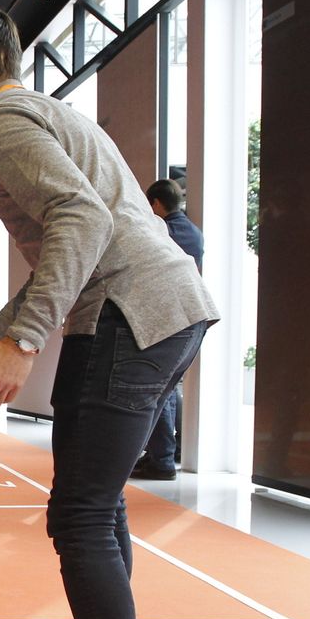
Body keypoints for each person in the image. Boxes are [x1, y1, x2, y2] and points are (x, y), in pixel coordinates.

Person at [0, 8, 218, 619]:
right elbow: (73, 236)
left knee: (81, 515)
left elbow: (82, 217)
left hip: (134, 314)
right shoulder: (43, 110)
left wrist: (23, 341)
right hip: (148, 313)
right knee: (99, 505)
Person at [133, 179, 206, 480]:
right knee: (170, 388)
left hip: (165, 317)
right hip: (188, 320)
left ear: (156, 204)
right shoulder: (193, 232)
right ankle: (167, 452)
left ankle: (161, 459)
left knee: (157, 389)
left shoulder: (164, 234)